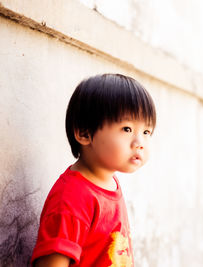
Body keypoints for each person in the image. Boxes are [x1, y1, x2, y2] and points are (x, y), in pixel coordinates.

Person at [31, 73, 156, 267]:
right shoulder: (73, 198)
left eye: (146, 132)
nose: (139, 143)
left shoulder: (109, 182)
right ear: (84, 133)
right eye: (127, 129)